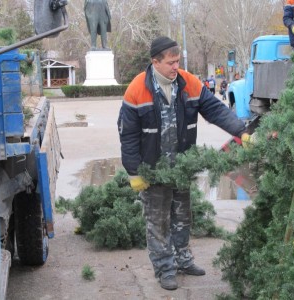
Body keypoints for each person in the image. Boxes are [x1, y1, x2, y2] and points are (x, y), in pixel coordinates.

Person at [117, 36, 251, 291]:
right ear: (155, 62)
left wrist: (240, 131)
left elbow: (215, 109)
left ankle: (183, 260)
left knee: (182, 217)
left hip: (181, 167)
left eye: (177, 61)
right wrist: (134, 171)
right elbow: (128, 135)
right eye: (170, 62)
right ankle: (165, 269)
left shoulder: (189, 83)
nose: (175, 67)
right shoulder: (137, 90)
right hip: (153, 170)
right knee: (158, 223)